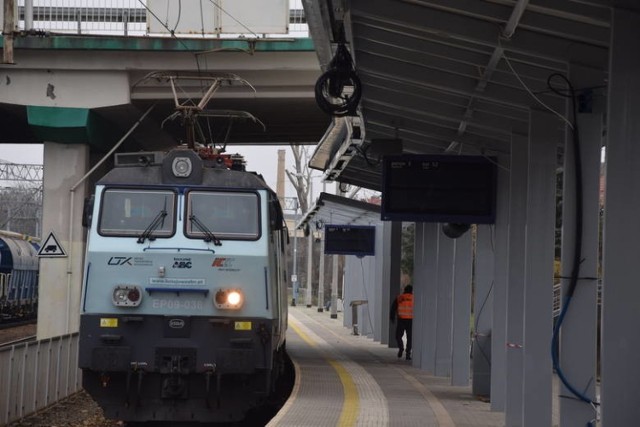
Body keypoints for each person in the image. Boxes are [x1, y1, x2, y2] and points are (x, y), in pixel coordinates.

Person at [390, 285, 413, 360]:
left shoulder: (399, 298)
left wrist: (392, 317)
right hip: (411, 320)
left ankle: (401, 347)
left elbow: (393, 308)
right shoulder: (414, 298)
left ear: (404, 290)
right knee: (410, 337)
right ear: (411, 291)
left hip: (401, 320)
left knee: (398, 336)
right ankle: (408, 354)